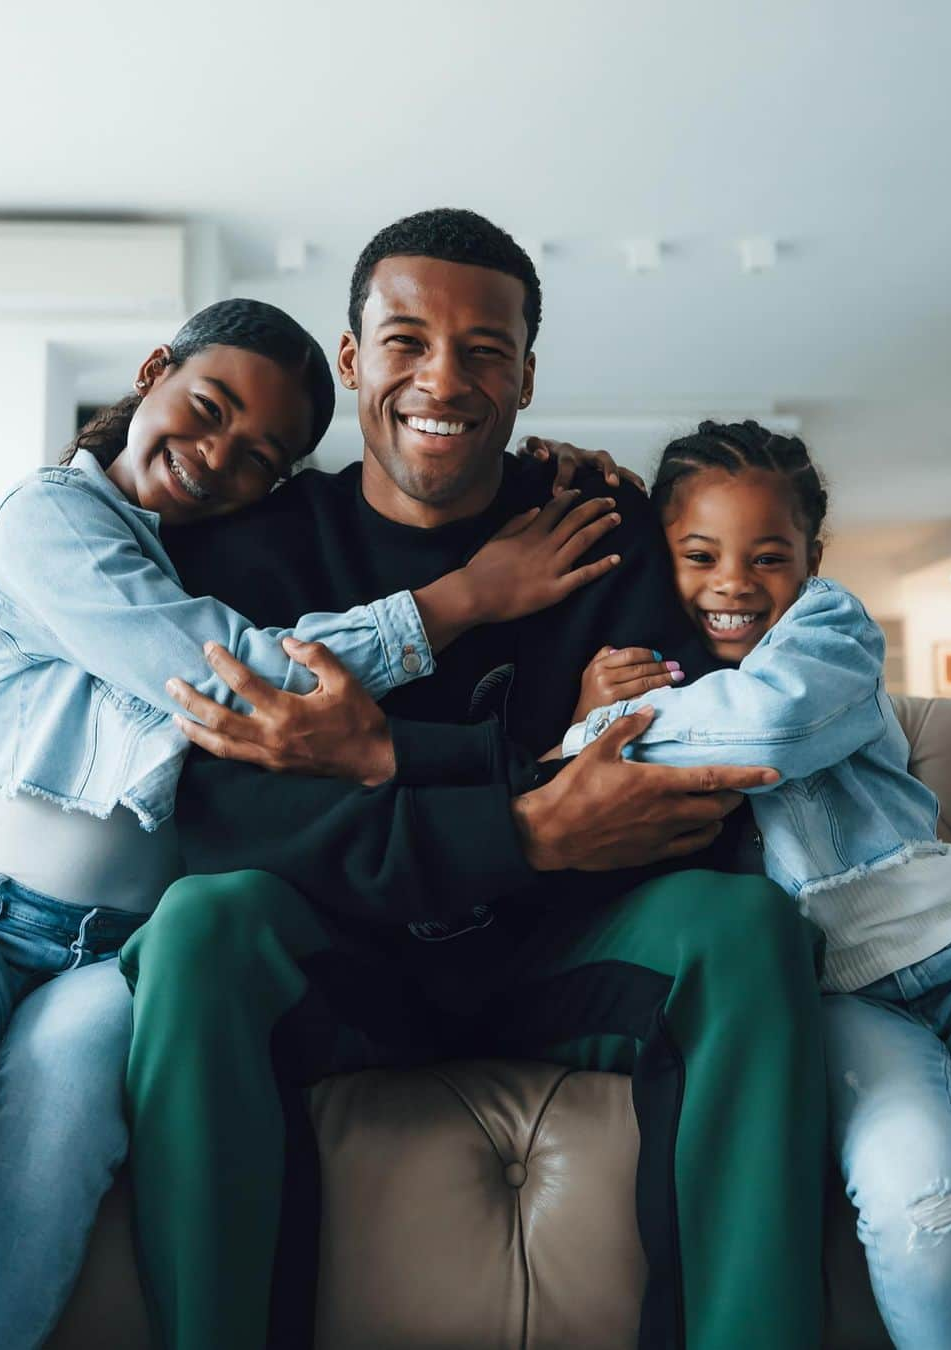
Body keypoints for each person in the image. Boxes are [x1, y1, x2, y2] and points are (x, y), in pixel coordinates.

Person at [123, 210, 826, 1350]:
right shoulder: (246, 549)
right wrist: (533, 825)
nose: (442, 378)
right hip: (341, 957)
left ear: (528, 375)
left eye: (486, 350)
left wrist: (419, 788)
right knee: (202, 923)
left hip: (559, 957)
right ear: (353, 362)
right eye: (404, 341)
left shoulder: (602, 529)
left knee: (743, 925)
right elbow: (232, 817)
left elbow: (671, 792)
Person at [0, 296, 620, 1350]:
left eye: (259, 455)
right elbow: (232, 677)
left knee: (58, 1140)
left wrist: (546, 473)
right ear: (153, 370)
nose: (214, 458)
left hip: (111, 960)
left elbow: (304, 634)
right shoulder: (53, 519)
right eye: (206, 408)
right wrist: (465, 598)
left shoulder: (230, 561)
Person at [563, 419, 951, 1350]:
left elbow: (770, 734)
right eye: (699, 555)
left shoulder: (830, 628)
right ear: (662, 556)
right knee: (920, 1211)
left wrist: (592, 732)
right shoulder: (657, 660)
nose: (734, 583)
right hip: (840, 1005)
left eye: (768, 556)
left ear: (813, 557)